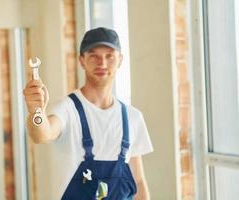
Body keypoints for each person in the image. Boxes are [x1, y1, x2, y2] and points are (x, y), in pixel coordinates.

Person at [23, 27, 153, 200]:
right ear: (82, 60)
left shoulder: (133, 118)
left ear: (120, 60)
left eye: (109, 56)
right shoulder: (67, 109)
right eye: (94, 55)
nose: (102, 63)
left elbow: (138, 182)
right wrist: (36, 112)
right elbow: (42, 134)